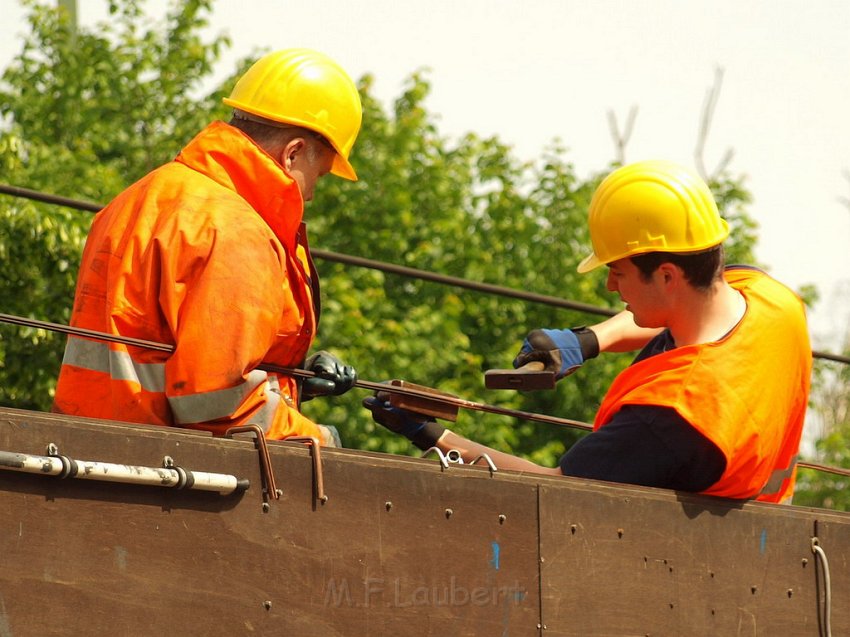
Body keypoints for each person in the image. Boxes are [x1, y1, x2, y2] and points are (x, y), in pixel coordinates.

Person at [364, 160, 812, 503]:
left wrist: (433, 436)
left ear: (668, 275)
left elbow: (556, 489)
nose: (609, 285)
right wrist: (590, 340)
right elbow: (684, 315)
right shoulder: (771, 299)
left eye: (618, 271)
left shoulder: (674, 417)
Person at [53, 48, 362, 445]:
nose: (313, 194)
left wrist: (294, 377)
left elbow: (164, 354)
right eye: (317, 175)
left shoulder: (141, 196)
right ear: (294, 153)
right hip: (157, 474)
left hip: (75, 449)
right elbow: (215, 404)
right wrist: (320, 438)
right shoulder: (236, 231)